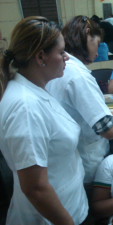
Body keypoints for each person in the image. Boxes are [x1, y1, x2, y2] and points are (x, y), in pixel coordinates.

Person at [46, 16, 113, 201]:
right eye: (98, 43)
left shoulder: (64, 69)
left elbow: (80, 115)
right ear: (87, 34)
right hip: (87, 161)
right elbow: (108, 130)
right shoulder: (78, 74)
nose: (97, 52)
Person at [0, 16, 88, 224]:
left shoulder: (37, 90)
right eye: (61, 52)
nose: (67, 57)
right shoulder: (25, 107)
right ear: (41, 57)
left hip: (71, 205)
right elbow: (35, 188)